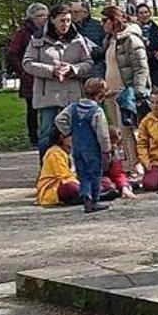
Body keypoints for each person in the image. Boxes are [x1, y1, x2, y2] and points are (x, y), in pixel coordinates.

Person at [23, 2, 95, 142]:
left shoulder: (78, 39)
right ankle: (47, 163)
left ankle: (71, 163)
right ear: (52, 19)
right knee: (46, 133)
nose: (65, 24)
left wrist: (73, 69)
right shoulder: (38, 39)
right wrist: (51, 70)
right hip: (47, 95)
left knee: (73, 134)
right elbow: (27, 63)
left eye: (68, 20)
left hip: (71, 94)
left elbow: (88, 63)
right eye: (62, 20)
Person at [99, 5, 149, 173]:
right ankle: (127, 163)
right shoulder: (110, 39)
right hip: (110, 92)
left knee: (127, 130)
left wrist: (138, 92)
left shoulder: (131, 40)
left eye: (105, 20)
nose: (102, 24)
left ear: (115, 20)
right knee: (119, 130)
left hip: (125, 92)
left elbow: (141, 68)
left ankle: (135, 165)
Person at [54, 77, 112, 213]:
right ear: (99, 96)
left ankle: (86, 198)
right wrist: (106, 150)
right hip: (92, 149)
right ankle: (95, 200)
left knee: (83, 174)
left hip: (77, 147)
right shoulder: (97, 111)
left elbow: (59, 119)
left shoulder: (73, 107)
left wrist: (67, 131)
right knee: (95, 174)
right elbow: (102, 134)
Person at [6, 2, 49, 147]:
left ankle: (49, 134)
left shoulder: (49, 30)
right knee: (32, 108)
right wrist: (23, 71)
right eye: (39, 15)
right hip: (30, 75)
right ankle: (34, 138)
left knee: (48, 105)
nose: (43, 18)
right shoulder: (23, 32)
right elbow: (12, 54)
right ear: (32, 17)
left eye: (45, 15)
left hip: (46, 73)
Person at [36, 127, 81, 207]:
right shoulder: (55, 153)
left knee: (103, 181)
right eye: (70, 138)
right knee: (71, 187)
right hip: (54, 187)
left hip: (71, 181)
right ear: (61, 138)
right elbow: (64, 177)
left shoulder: (65, 152)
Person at [134, 3, 158, 93]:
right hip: (138, 66)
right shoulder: (132, 30)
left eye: (146, 12)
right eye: (141, 13)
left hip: (154, 67)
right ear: (137, 15)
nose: (144, 15)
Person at [70, 0, 106, 77]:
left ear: (85, 13)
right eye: (70, 12)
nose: (72, 15)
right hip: (75, 69)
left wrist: (91, 50)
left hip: (96, 69)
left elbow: (106, 48)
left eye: (76, 12)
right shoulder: (68, 27)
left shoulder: (99, 26)